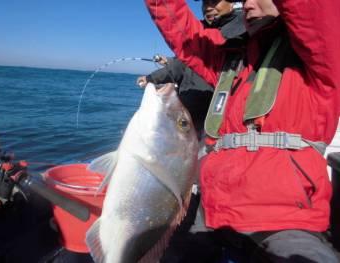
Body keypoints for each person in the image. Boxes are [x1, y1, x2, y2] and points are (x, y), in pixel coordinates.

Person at [144, 0, 340, 262]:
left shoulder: (322, 53)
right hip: (211, 213)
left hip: (285, 222)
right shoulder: (230, 61)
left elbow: (312, 10)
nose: (248, 4)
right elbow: (182, 32)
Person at [137, 0, 245, 139]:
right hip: (192, 123)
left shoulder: (245, 29)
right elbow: (181, 62)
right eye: (205, 3)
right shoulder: (199, 32)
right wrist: (152, 78)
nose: (208, 8)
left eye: (214, 1)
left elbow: (181, 63)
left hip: (220, 126)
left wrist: (151, 78)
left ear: (234, 3)